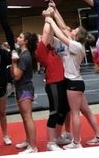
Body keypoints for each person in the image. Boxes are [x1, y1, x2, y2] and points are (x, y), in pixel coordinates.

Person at [45, 3, 99, 149]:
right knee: (86, 111)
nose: (71, 30)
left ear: (77, 36)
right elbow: (64, 27)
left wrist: (49, 19)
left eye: (74, 30)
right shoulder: (75, 43)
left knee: (75, 113)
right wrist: (55, 10)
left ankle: (77, 142)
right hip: (77, 82)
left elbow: (60, 33)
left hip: (73, 83)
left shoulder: (76, 46)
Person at [35, 10, 70, 151]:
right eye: (40, 38)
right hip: (53, 83)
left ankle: (57, 137)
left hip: (61, 81)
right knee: (54, 111)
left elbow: (49, 34)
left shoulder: (51, 49)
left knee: (64, 109)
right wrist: (47, 17)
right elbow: (46, 32)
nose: (44, 37)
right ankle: (50, 143)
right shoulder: (40, 50)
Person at [11, 32, 38, 154]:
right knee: (24, 117)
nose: (18, 38)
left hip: (25, 88)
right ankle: (28, 140)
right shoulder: (23, 54)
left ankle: (33, 147)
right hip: (21, 88)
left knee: (28, 117)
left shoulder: (24, 56)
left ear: (25, 41)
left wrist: (13, 62)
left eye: (20, 37)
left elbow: (16, 75)